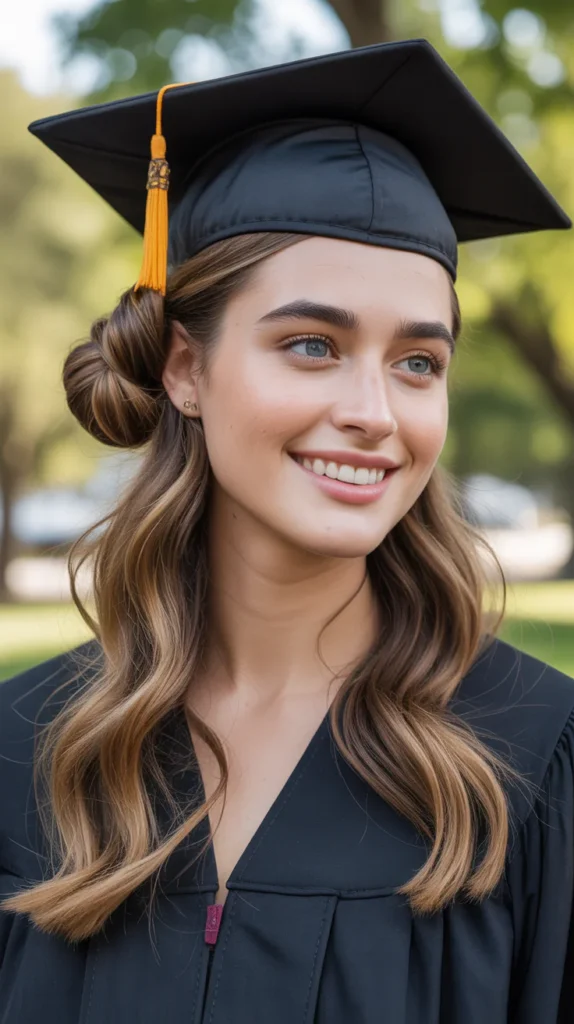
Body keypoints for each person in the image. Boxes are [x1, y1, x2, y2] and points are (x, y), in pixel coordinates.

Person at [0, 38, 572, 1024]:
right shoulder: (27, 751)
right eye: (311, 345)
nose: (374, 411)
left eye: (417, 362)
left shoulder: (531, 757)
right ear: (184, 368)